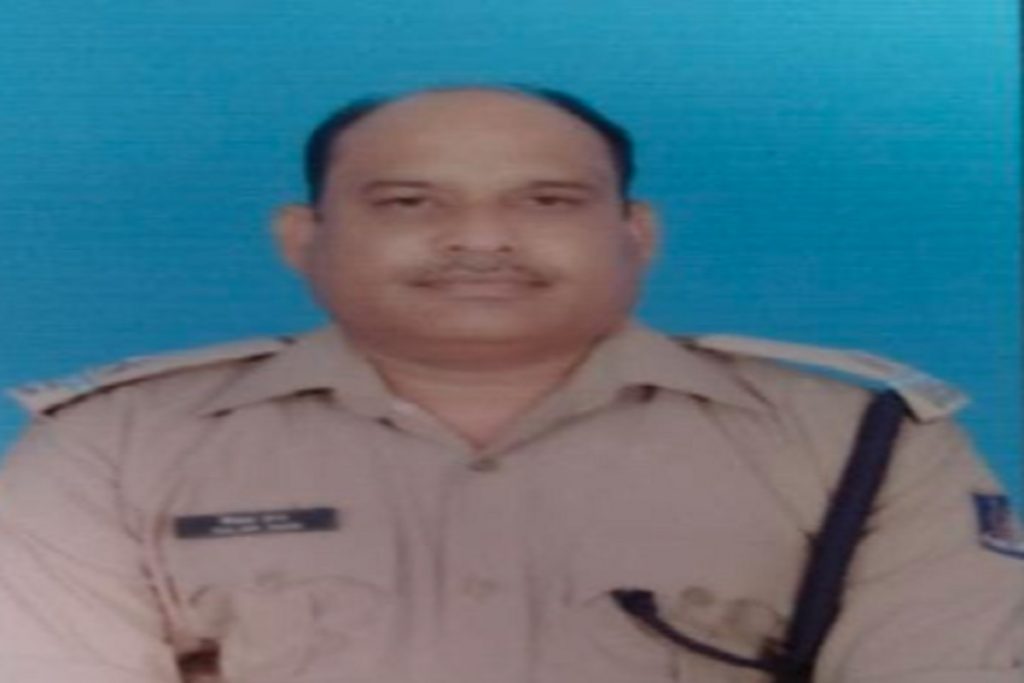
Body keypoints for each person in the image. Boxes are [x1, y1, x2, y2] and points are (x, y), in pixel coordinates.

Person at [0, 85, 1020, 683]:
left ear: (635, 233)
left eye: (548, 200)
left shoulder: (860, 442)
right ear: (302, 237)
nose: (480, 238)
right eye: (408, 202)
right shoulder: (111, 447)